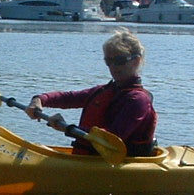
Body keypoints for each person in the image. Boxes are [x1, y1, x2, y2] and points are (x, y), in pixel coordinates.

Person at [27, 29, 158, 156]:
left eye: (119, 61)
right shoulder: (105, 91)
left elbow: (111, 139)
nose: (113, 67)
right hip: (90, 158)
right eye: (108, 61)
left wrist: (66, 128)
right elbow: (70, 98)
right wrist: (40, 99)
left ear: (136, 61)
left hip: (117, 165)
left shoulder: (138, 100)